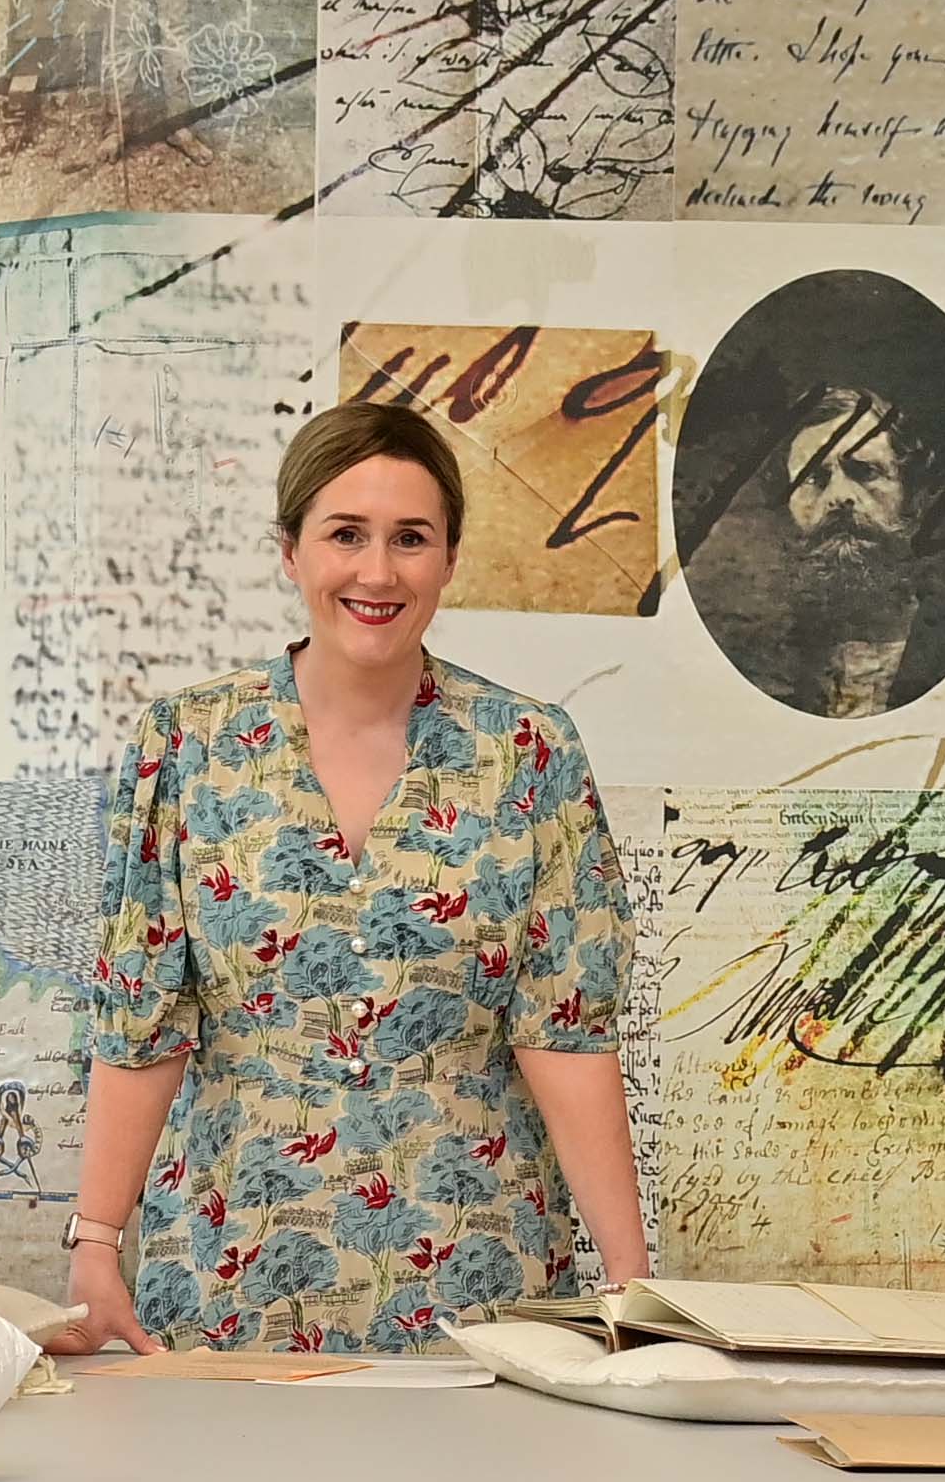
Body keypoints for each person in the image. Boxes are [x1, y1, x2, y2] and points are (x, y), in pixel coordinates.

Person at [60, 398, 649, 1354]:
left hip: (481, 1286)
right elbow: (142, 1013)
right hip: (229, 1285)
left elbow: (566, 1028)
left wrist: (633, 1288)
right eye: (346, 534)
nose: (377, 571)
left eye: (410, 538)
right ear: (290, 550)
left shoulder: (529, 751)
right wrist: (93, 1246)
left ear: (449, 557)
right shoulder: (189, 744)